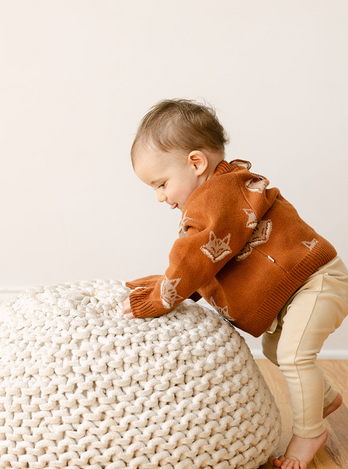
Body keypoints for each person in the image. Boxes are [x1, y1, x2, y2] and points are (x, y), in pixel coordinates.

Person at [121, 98, 348, 469]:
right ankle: (325, 398)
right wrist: (169, 284)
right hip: (299, 289)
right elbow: (211, 261)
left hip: (316, 281)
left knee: (292, 355)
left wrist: (163, 296)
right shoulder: (220, 196)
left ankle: (310, 433)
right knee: (277, 352)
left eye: (161, 184)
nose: (160, 197)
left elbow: (195, 255)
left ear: (196, 163)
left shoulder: (220, 194)